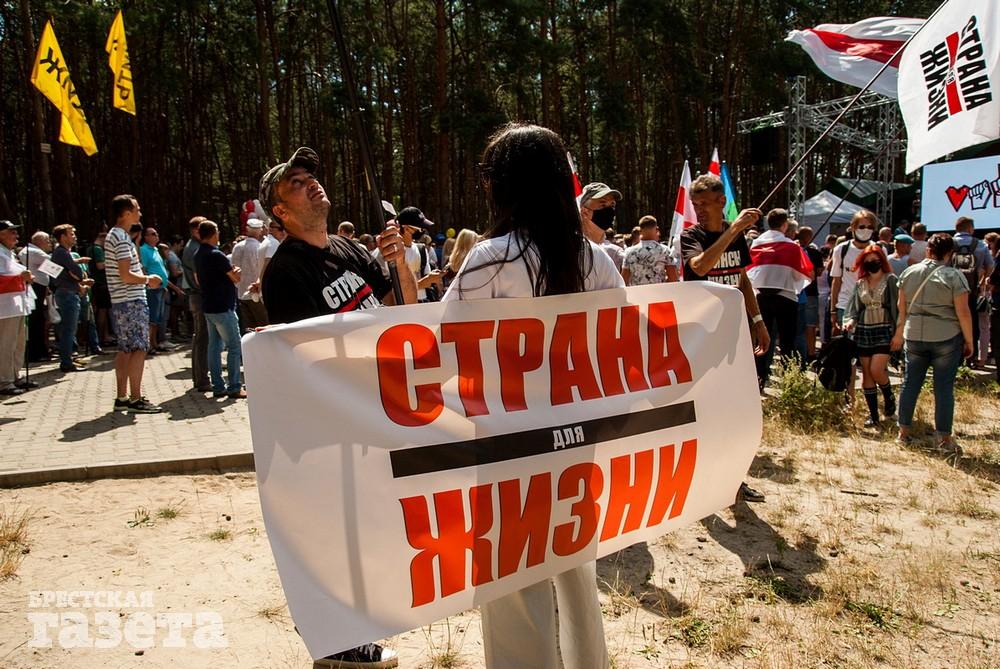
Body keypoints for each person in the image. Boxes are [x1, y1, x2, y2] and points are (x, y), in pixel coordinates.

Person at [443, 122, 614, 669]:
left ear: (504, 184)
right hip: (576, 439)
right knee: (576, 563)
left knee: (513, 576)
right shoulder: (597, 259)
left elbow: (446, 347)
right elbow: (619, 345)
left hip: (506, 444)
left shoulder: (490, 259)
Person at [258, 146, 414, 669]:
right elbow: (311, 357)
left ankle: (356, 631)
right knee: (337, 533)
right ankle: (337, 645)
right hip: (333, 421)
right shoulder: (286, 271)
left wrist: (399, 263)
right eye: (296, 182)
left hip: (373, 409)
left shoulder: (350, 249)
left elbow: (401, 312)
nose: (312, 183)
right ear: (280, 211)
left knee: (371, 528)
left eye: (311, 176)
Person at [680, 172, 768, 503]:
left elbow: (741, 278)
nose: (700, 210)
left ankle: (733, 479)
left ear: (722, 202)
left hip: (734, 334)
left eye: (705, 204)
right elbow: (700, 267)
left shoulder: (736, 234)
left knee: (735, 409)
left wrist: (757, 320)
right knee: (706, 409)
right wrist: (733, 231)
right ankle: (701, 478)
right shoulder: (691, 236)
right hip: (702, 338)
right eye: (696, 204)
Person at [893, 233, 973, 452]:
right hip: (945, 336)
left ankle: (903, 433)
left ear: (928, 250)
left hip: (913, 335)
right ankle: (944, 439)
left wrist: (900, 333)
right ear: (950, 253)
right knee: (943, 388)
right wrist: (969, 341)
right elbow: (963, 312)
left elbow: (902, 308)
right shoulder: (954, 276)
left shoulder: (909, 272)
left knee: (910, 384)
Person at [104, 195, 162, 413]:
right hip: (131, 301)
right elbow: (125, 275)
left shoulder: (116, 235)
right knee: (138, 348)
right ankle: (136, 399)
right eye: (137, 209)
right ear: (126, 213)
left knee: (126, 349)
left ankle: (122, 397)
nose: (140, 213)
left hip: (123, 301)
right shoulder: (120, 237)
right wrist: (148, 280)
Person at [747, 209, 813, 389]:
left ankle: (759, 379)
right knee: (787, 342)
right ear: (785, 225)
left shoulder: (756, 243)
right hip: (786, 297)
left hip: (761, 297)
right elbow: (803, 274)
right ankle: (788, 382)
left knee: (762, 340)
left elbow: (749, 270)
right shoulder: (792, 246)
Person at [842, 245, 898, 427]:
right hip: (864, 329)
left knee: (876, 369)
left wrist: (899, 332)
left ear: (881, 261)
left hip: (884, 329)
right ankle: (873, 415)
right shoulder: (861, 283)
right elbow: (854, 308)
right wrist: (849, 321)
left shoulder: (891, 280)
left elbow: (898, 307)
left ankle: (889, 396)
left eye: (874, 260)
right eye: (867, 261)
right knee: (866, 372)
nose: (871, 264)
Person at [194, 220, 245, 399]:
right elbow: (236, 278)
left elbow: (198, 279)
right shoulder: (217, 255)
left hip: (209, 306)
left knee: (214, 347)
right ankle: (234, 386)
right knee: (234, 346)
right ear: (214, 233)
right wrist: (237, 271)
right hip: (223, 306)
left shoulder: (198, 254)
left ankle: (218, 386)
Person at [371, 207, 443, 302]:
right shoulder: (388, 252)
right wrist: (423, 283)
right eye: (420, 228)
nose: (423, 231)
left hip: (423, 303)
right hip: (402, 307)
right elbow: (386, 291)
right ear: (405, 228)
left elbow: (428, 280)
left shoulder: (421, 249)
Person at [50, 225, 93, 372]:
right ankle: (66, 363)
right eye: (71, 234)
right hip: (67, 294)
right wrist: (78, 275)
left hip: (67, 292)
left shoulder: (61, 253)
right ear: (63, 237)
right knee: (69, 329)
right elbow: (77, 273)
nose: (75, 237)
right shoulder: (62, 253)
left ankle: (69, 357)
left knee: (69, 329)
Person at [0, 220, 36, 396]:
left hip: (17, 305)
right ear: (1, 235)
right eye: (12, 232)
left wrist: (25, 278)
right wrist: (20, 277)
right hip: (5, 307)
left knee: (19, 342)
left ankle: (15, 375)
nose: (16, 235)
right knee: (6, 344)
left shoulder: (10, 253)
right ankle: (4, 380)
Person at [952, 216, 994, 366]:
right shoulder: (980, 245)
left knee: (952, 322)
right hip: (971, 291)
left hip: (950, 291)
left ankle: (953, 358)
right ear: (970, 228)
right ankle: (970, 357)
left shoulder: (949, 243)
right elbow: (990, 265)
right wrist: (982, 281)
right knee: (972, 323)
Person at [182, 217, 211, 391]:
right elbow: (198, 278)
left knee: (200, 336)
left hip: (197, 295)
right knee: (202, 338)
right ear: (195, 230)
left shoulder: (193, 246)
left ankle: (199, 377)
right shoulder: (194, 249)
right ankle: (202, 379)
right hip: (199, 296)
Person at [18, 231, 52, 361]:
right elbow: (53, 266)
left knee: (38, 319)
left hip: (39, 287)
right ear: (40, 241)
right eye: (47, 241)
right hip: (36, 287)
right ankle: (35, 353)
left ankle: (40, 350)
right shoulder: (34, 252)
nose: (49, 244)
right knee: (36, 320)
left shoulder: (30, 251)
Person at [230, 218, 267, 332]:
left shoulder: (237, 247)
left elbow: (233, 268)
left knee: (249, 328)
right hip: (256, 292)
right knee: (263, 327)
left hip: (241, 293)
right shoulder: (259, 247)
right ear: (260, 231)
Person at [578, 182, 625, 272]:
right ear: (585, 212)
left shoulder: (610, 253)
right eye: (603, 204)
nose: (609, 210)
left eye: (612, 205)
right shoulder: (576, 250)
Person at [621, 215, 677, 285]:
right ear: (656, 229)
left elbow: (624, 279)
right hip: (660, 291)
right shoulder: (665, 251)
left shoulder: (629, 252)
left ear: (640, 231)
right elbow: (673, 278)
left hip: (637, 291)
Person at [140, 227, 170, 352]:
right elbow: (143, 269)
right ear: (146, 237)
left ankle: (154, 343)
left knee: (157, 318)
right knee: (152, 318)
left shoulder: (156, 250)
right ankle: (149, 345)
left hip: (161, 288)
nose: (156, 235)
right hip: (152, 289)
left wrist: (164, 285)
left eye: (156, 233)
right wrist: (149, 284)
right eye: (153, 234)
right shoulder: (143, 250)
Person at [796, 226, 824, 359]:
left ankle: (799, 354)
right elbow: (819, 272)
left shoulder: (794, 250)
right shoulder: (814, 253)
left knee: (798, 327)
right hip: (811, 292)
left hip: (798, 292)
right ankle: (811, 353)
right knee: (810, 325)